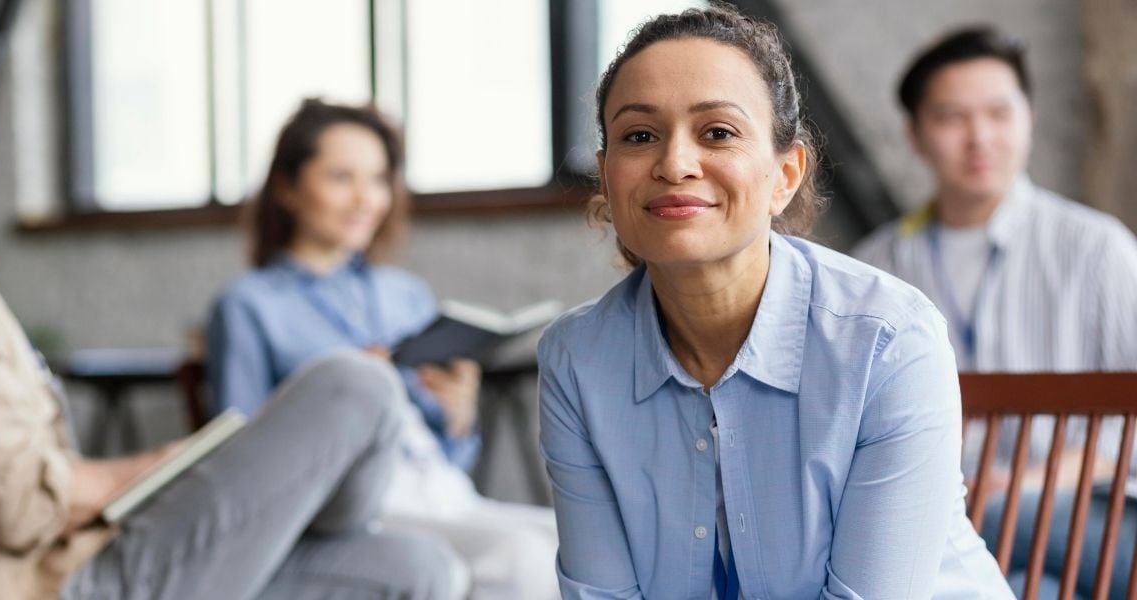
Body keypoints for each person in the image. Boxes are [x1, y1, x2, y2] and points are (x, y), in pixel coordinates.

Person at [0, 2, 457, 598]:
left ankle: (294, 519)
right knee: (358, 384)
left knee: (421, 568)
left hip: (81, 559)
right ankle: (293, 515)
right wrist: (157, 466)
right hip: (68, 583)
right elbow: (17, 506)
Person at [537, 5, 1014, 598]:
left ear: (784, 175)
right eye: (640, 136)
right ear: (607, 177)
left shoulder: (888, 342)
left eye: (718, 132)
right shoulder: (575, 360)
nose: (675, 164)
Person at [205, 98, 558, 599]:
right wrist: (350, 397)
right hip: (354, 508)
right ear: (286, 188)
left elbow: (448, 456)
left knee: (575, 543)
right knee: (519, 556)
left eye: (377, 179)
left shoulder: (404, 295)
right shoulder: (249, 305)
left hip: (442, 492)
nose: (365, 199)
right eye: (341, 178)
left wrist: (457, 418)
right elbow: (243, 459)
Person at [852, 26, 1137, 598]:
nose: (979, 137)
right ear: (914, 135)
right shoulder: (874, 267)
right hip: (965, 519)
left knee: (939, 530)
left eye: (999, 113)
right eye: (952, 118)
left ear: (1028, 118)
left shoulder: (1098, 248)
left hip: (1085, 512)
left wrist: (1020, 482)